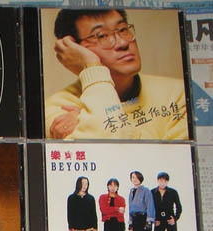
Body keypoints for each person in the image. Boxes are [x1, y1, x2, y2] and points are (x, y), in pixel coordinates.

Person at [45, 9, 188, 140]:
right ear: (74, 49)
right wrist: (91, 66)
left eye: (123, 29)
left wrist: (92, 122)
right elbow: (108, 151)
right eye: (101, 36)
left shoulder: (178, 94)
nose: (123, 42)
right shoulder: (59, 106)